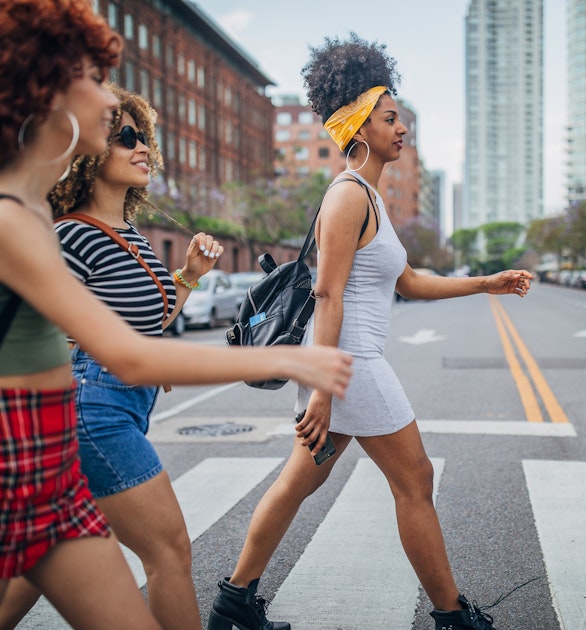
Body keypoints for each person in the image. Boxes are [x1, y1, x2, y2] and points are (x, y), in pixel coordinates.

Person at [0, 3, 352, 630]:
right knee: (170, 552)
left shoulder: (41, 219)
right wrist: (284, 355)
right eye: (89, 76)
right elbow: (126, 352)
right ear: (44, 89)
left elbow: (139, 333)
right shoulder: (29, 225)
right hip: (57, 438)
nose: (110, 98)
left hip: (54, 456)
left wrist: (186, 277)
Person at [206, 33, 533, 630]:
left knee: (298, 481)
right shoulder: (348, 197)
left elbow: (407, 280)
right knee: (416, 479)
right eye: (390, 119)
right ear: (359, 129)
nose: (402, 128)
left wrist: (486, 283)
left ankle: (233, 603)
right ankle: (451, 617)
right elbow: (328, 293)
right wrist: (326, 390)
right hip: (350, 364)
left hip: (340, 365)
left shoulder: (370, 199)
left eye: (402, 119)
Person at [0, 85, 222, 630]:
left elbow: (154, 319)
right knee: (170, 549)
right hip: (92, 405)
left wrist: (189, 276)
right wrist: (119, 357)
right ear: (89, 154)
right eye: (125, 137)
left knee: (42, 555)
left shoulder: (133, 236)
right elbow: (39, 324)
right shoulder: (72, 235)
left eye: (143, 136)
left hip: (119, 400)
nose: (142, 147)